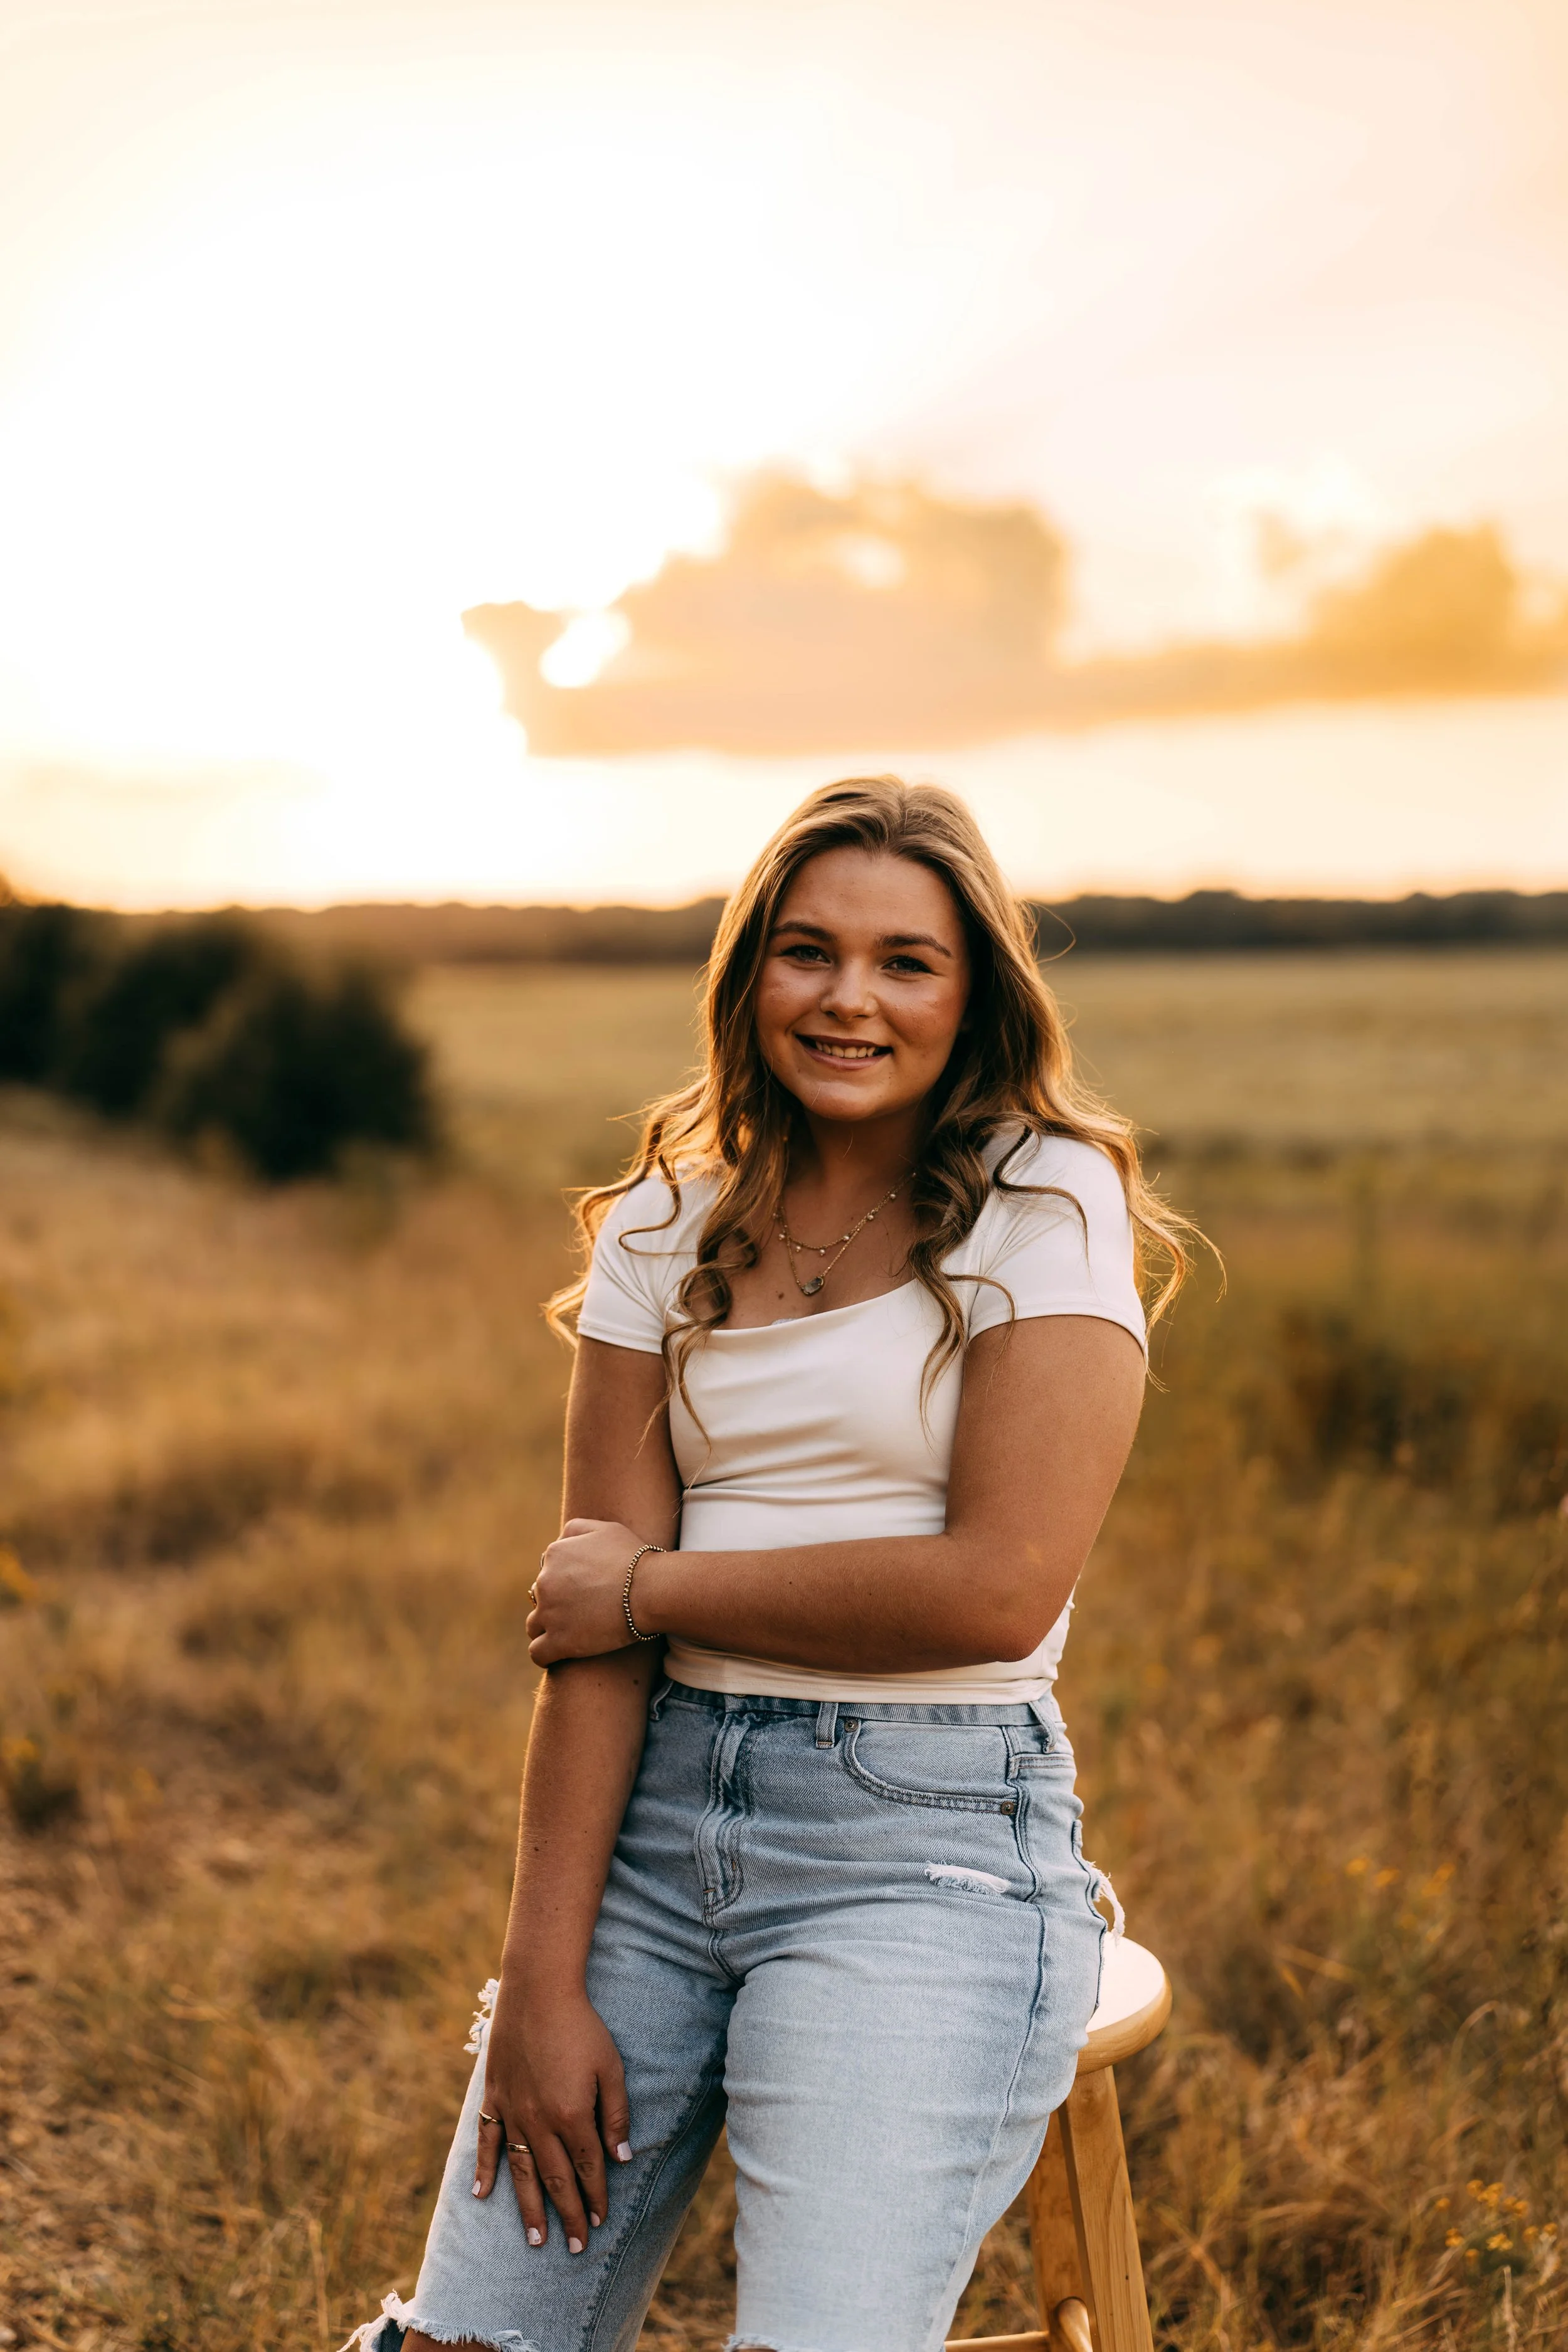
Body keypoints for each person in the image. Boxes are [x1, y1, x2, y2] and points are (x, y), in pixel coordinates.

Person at [350, 776, 1190, 2352]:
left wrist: (657, 1590)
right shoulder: (663, 1220)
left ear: (972, 993)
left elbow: (994, 1587)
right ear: (749, 977)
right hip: (656, 1829)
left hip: (925, 1847)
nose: (849, 998)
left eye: (905, 962)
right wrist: (537, 1983)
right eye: (807, 952)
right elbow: (584, 1641)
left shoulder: (1042, 1198)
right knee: (465, 2347)